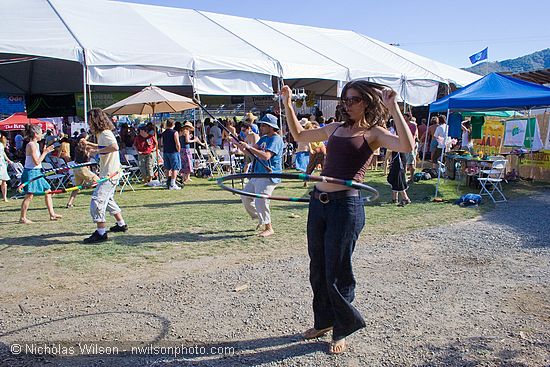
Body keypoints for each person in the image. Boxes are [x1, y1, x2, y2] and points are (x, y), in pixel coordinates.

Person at [281, 80, 414, 354]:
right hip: (318, 204)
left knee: (337, 270)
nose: (347, 104)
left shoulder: (372, 133)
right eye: (345, 99)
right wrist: (287, 103)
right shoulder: (336, 128)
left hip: (346, 207)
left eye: (353, 99)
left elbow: (406, 144)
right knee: (317, 268)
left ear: (366, 101)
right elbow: (298, 136)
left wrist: (394, 107)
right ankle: (323, 322)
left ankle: (342, 329)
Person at [233, 113, 283, 238]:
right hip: (257, 173)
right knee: (245, 196)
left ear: (271, 127)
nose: (260, 128)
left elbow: (266, 156)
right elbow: (250, 152)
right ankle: (260, 218)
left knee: (261, 200)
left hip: (268, 175)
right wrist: (240, 145)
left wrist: (249, 147)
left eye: (263, 126)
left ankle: (269, 227)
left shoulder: (276, 139)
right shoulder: (264, 138)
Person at [83, 108, 127, 243]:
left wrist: (95, 151)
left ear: (96, 120)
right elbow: (103, 146)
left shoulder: (105, 133)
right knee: (108, 200)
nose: (88, 123)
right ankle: (121, 224)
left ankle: (101, 232)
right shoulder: (102, 134)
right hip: (109, 173)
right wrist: (90, 145)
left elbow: (114, 147)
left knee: (97, 200)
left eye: (90, 120)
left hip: (110, 174)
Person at [19, 125, 62, 224]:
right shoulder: (31, 145)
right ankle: (22, 218)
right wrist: (45, 152)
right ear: (35, 134)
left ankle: (52, 214)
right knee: (29, 195)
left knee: (48, 191)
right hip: (31, 172)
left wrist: (44, 152)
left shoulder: (36, 144)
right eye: (40, 133)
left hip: (37, 172)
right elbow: (37, 162)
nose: (42, 135)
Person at [66, 138, 99, 208]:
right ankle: (99, 201)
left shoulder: (77, 148)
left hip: (76, 168)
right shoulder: (87, 149)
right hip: (82, 169)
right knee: (99, 182)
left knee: (76, 187)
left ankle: (69, 203)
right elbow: (98, 148)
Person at [161, 118, 182, 190]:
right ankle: (173, 183)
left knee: (167, 168)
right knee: (175, 168)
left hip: (166, 151)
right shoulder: (175, 132)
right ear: (173, 124)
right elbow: (177, 143)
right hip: (173, 152)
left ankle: (168, 182)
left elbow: (161, 143)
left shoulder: (163, 133)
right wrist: (178, 150)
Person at [403, 113, 418, 183]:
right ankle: (404, 177)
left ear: (409, 117)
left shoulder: (413, 125)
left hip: (410, 145)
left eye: (405, 117)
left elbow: (413, 135)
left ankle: (412, 178)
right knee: (405, 162)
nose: (403, 118)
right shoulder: (404, 124)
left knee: (410, 163)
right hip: (404, 145)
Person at [0, 134, 13, 202]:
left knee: (4, 182)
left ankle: (5, 197)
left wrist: (8, 159)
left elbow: (3, 153)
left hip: (2, 164)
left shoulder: (1, 144)